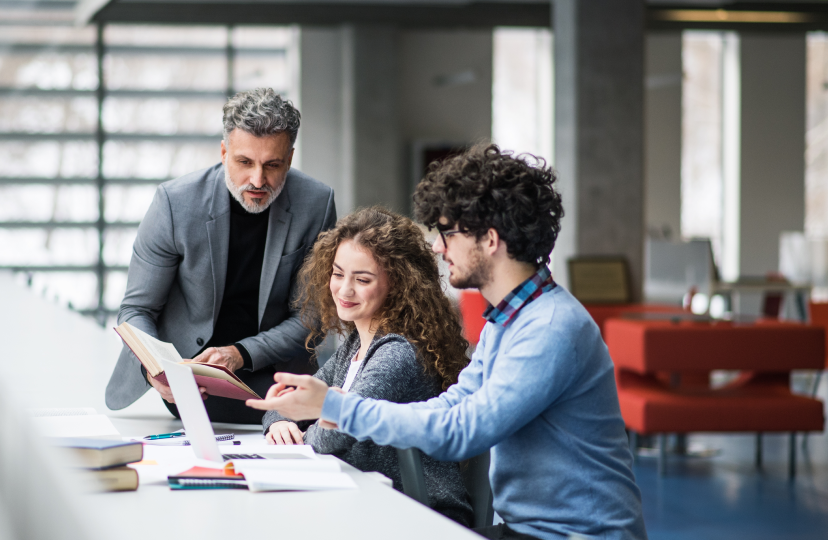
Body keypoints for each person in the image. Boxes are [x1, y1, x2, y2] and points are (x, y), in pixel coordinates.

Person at [249, 144, 648, 540]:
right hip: (529, 530)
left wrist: (335, 406)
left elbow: (462, 431)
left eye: (448, 232)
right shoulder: (505, 321)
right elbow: (453, 405)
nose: (439, 247)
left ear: (490, 240)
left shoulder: (551, 328)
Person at [105, 88, 337, 424]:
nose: (258, 180)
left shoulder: (316, 204)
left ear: (290, 157)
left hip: (275, 374)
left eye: (273, 165)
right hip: (191, 378)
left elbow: (312, 315)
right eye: (245, 162)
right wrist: (155, 368)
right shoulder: (175, 204)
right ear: (224, 151)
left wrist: (240, 354)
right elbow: (137, 310)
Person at [262, 207, 472, 525]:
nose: (344, 290)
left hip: (423, 516)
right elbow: (282, 405)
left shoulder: (398, 353)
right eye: (337, 273)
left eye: (362, 279)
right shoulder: (355, 346)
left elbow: (332, 437)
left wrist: (306, 426)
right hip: (371, 504)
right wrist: (280, 423)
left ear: (399, 284)